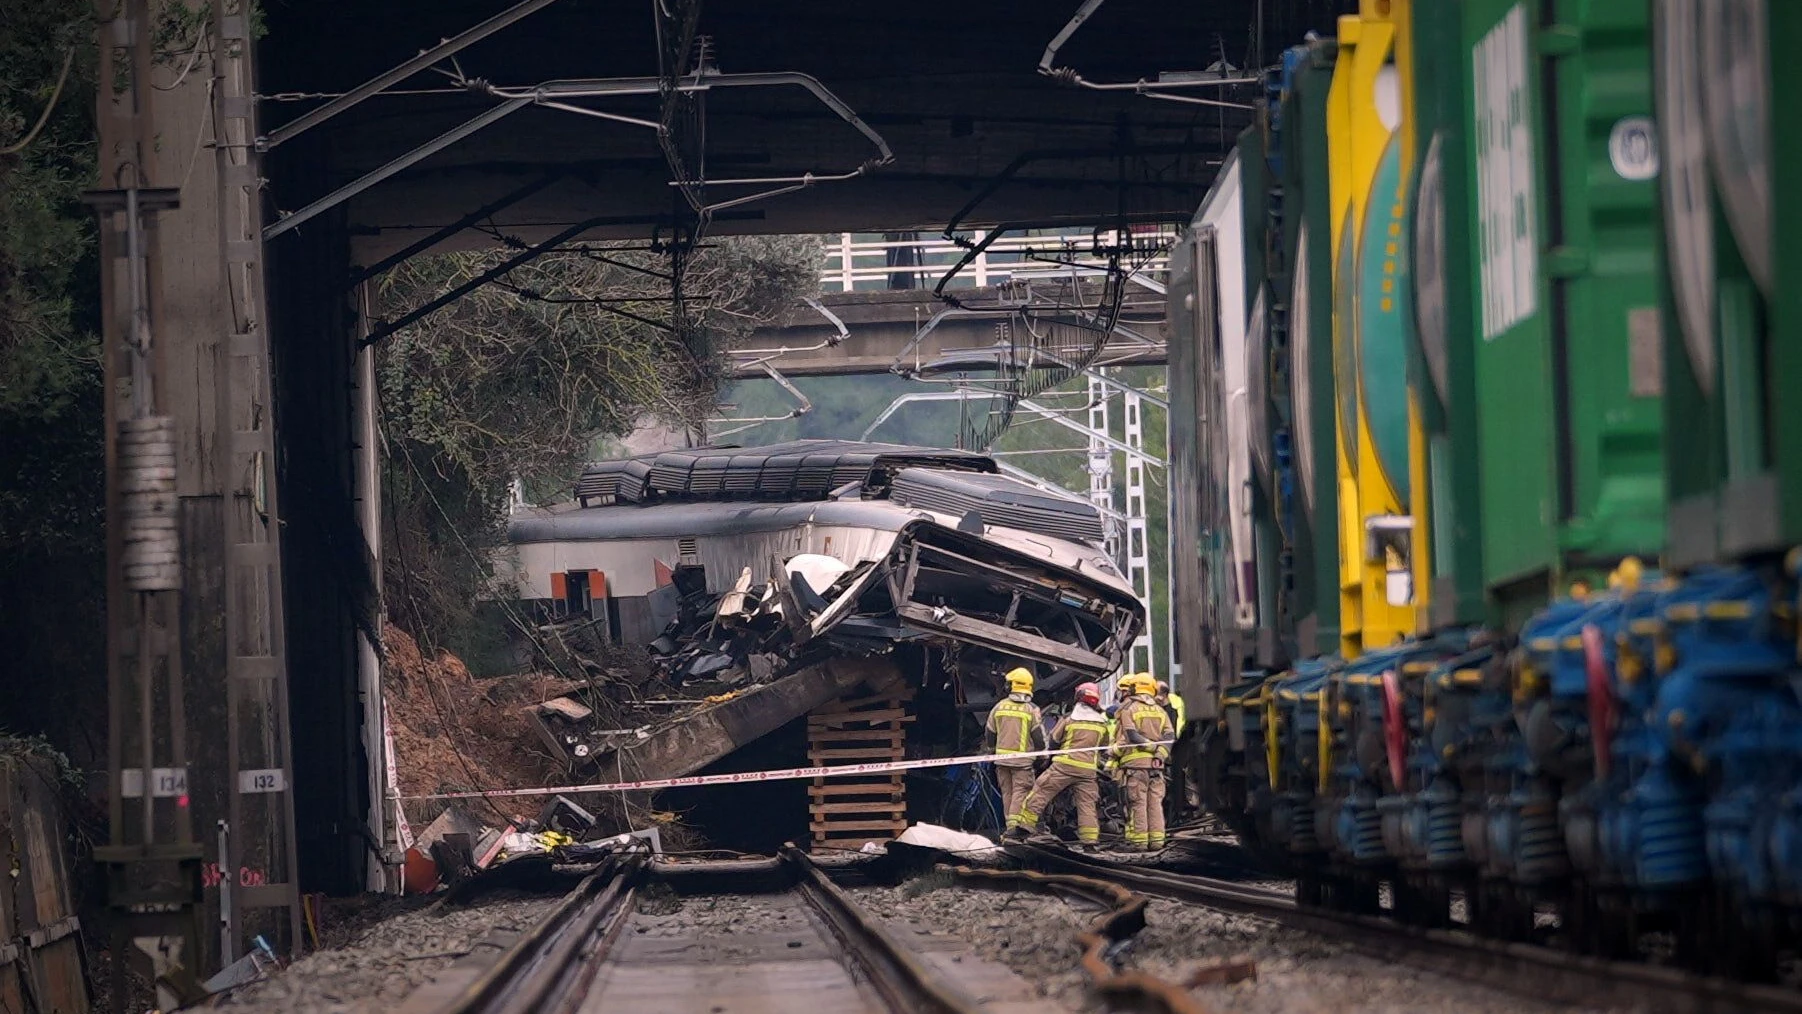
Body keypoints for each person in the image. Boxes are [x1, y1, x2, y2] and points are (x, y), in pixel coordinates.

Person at [1009, 682, 1111, 847]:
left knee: (1041, 791)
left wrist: (1047, 761)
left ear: (1078, 697)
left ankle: (1023, 828)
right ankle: (1090, 843)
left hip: (1065, 766)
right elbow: (1104, 746)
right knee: (1087, 806)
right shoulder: (1101, 724)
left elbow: (1054, 741)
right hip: (1088, 771)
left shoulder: (1069, 719)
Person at [1114, 672, 1173, 851]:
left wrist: (1150, 748)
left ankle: (1139, 843)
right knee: (1155, 803)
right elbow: (1169, 736)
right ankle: (1156, 842)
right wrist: (1160, 754)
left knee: (1138, 803)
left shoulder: (1128, 709)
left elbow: (1131, 735)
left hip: (1135, 765)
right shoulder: (1160, 710)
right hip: (1157, 766)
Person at [983, 667, 1046, 832]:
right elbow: (1039, 737)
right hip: (1023, 763)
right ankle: (1014, 829)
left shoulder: (999, 707)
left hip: (1002, 761)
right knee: (1020, 794)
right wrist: (1042, 755)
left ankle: (1009, 828)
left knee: (1007, 794)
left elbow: (990, 732)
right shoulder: (1031, 709)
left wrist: (991, 750)